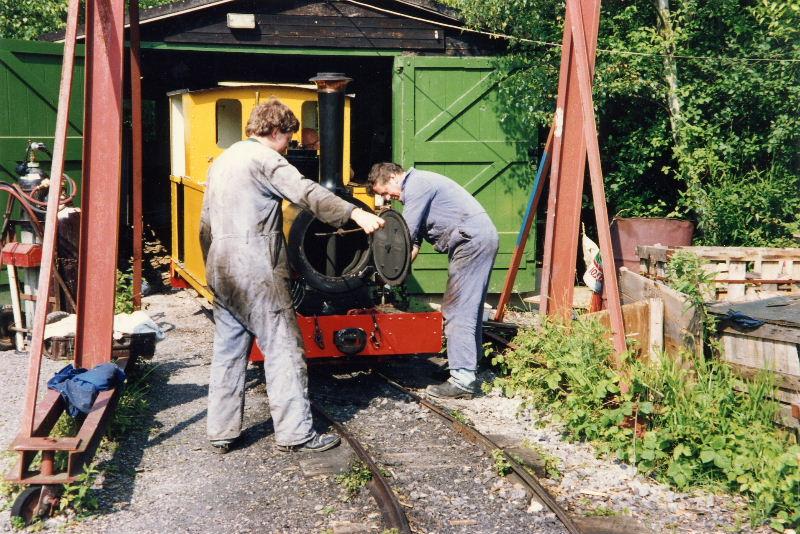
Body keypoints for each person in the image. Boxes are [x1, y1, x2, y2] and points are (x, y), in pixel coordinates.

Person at [200, 99, 384, 453]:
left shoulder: (222, 161)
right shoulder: (265, 159)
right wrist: (354, 215)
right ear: (274, 131)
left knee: (227, 352)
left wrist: (213, 265)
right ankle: (296, 434)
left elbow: (206, 224)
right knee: (284, 349)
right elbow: (305, 191)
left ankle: (222, 431)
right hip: (255, 270)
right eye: (287, 137)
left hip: (220, 267)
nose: (289, 145)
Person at [367, 163, 499, 399]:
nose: (388, 198)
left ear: (394, 176)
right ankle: (466, 368)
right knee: (466, 308)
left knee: (459, 309)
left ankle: (463, 380)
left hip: (472, 242)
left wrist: (376, 262)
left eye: (385, 191)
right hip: (475, 239)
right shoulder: (420, 187)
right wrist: (397, 273)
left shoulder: (417, 184)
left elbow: (404, 235)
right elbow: (413, 243)